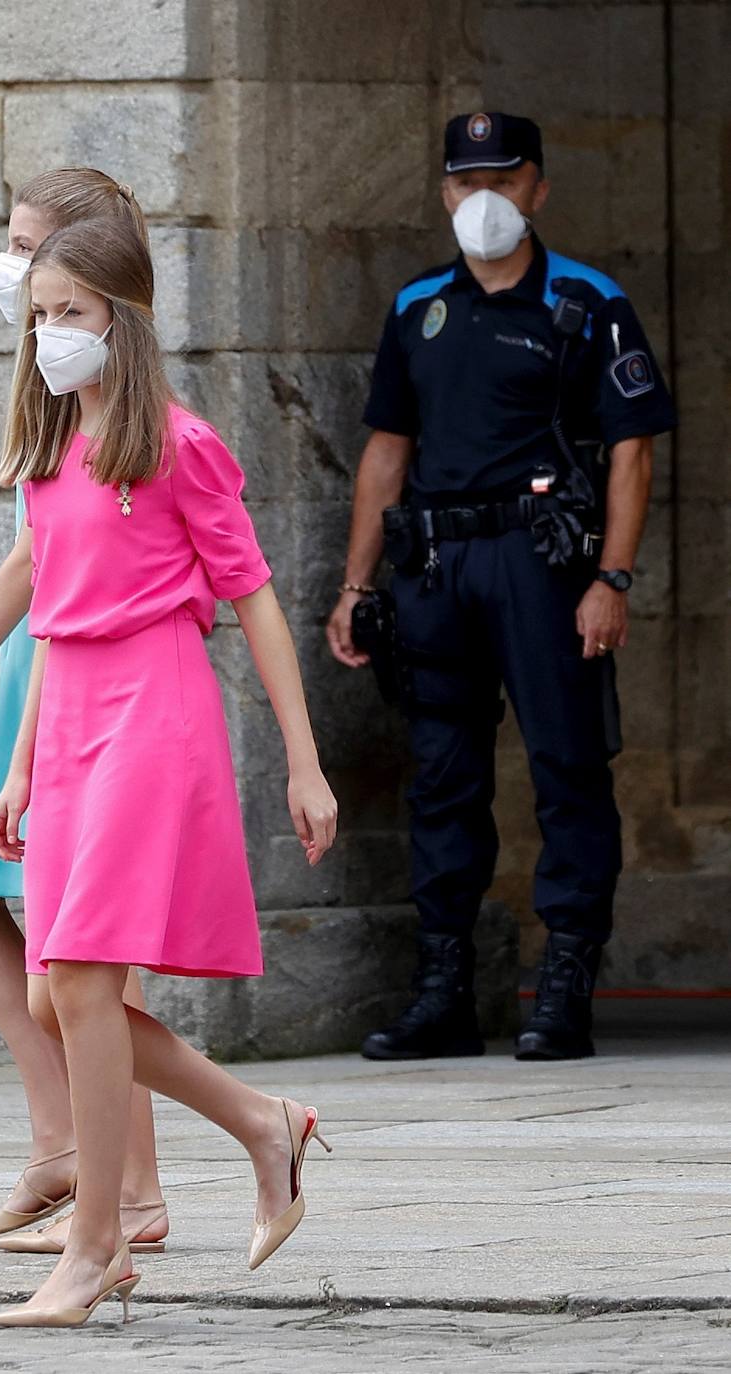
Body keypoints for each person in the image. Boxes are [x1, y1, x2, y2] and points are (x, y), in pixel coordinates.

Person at [0, 217, 337, 1329]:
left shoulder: (179, 445)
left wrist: (304, 760)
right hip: (75, 716)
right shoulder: (47, 454)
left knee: (83, 979)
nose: (49, 335)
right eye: (41, 315)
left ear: (121, 322)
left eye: (71, 315)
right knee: (54, 990)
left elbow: (255, 600)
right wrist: (22, 768)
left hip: (154, 707)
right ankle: (260, 1124)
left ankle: (96, 1248)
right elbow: (50, 619)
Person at [326, 112, 676, 1063]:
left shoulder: (586, 302)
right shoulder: (417, 307)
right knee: (441, 777)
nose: (483, 198)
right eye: (464, 181)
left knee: (567, 768)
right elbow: (385, 452)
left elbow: (631, 455)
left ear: (538, 188)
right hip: (437, 565)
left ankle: (564, 986)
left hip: (544, 563)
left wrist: (611, 577)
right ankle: (443, 992)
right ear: (443, 192)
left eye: (504, 178)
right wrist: (356, 584)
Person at [0, 169, 168, 1254]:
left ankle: (134, 1187)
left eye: (26, 247)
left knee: (85, 955)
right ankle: (63, 1144)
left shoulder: (106, 387)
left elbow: (83, 571)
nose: (10, 268)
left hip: (73, 683)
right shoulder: (48, 381)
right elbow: (30, 553)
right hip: (32, 671)